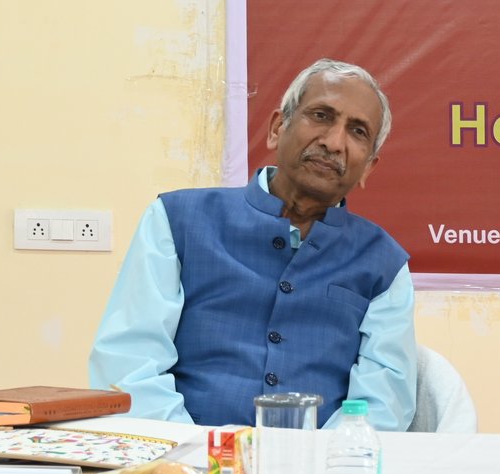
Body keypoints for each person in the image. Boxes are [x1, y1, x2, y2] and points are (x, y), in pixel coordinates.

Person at [90, 59, 417, 430]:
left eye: (357, 132)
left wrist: (318, 459)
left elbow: (383, 404)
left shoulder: (383, 264)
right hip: (182, 456)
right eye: (321, 116)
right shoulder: (176, 221)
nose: (333, 142)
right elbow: (129, 365)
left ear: (369, 167)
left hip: (318, 463)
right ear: (278, 128)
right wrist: (198, 453)